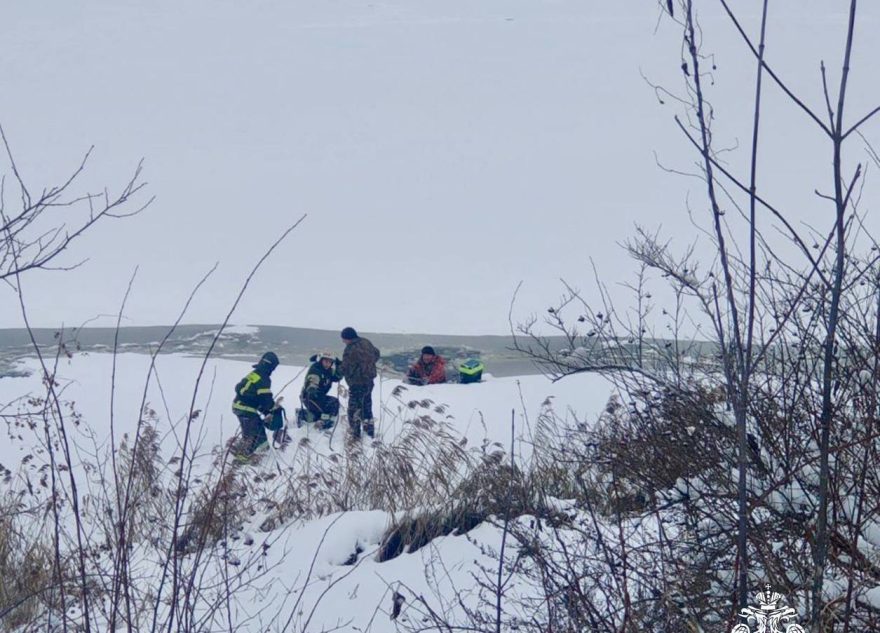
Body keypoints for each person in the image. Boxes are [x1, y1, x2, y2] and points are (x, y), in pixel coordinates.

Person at [232, 351, 281, 456]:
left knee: (251, 433)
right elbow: (265, 399)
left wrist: (264, 409)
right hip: (246, 409)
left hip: (238, 406)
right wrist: (274, 408)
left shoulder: (255, 374)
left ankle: (240, 451)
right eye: (273, 368)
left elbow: (252, 395)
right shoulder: (264, 378)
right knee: (256, 436)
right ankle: (244, 456)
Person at [339, 326, 380, 439]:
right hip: (369, 381)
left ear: (348, 338)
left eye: (343, 339)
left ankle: (355, 434)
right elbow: (377, 354)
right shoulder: (366, 342)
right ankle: (369, 433)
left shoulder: (350, 349)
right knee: (367, 408)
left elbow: (345, 367)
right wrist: (368, 364)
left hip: (357, 384)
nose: (343, 341)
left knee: (354, 410)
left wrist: (337, 371)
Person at [300, 350, 342, 429]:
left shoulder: (328, 371)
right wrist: (312, 388)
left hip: (319, 396)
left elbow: (337, 377)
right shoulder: (316, 369)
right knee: (332, 404)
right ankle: (322, 422)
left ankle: (307, 415)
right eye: (325, 361)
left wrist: (339, 365)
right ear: (321, 360)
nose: (327, 364)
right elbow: (313, 379)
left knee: (333, 404)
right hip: (310, 397)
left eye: (330, 362)